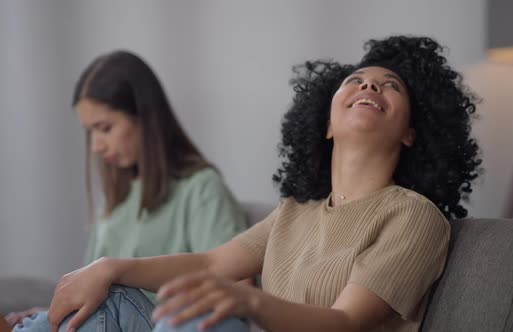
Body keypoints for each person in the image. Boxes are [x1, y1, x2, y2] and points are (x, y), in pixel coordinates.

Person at [15, 35, 481, 332]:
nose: (370, 87)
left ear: (411, 134)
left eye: (390, 86)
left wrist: (250, 301)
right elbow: (213, 261)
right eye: (355, 80)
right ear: (325, 125)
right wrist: (108, 267)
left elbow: (345, 323)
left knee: (195, 316)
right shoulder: (296, 210)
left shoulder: (415, 216)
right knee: (110, 302)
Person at [4, 51, 249, 329]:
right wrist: (47, 313)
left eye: (105, 128)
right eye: (90, 132)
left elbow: (236, 285)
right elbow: (88, 294)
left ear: (145, 118)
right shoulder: (114, 201)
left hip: (166, 323)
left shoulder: (202, 188)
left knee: (112, 294)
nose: (96, 146)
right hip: (114, 320)